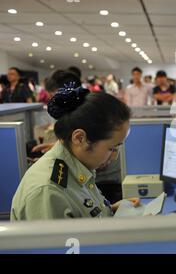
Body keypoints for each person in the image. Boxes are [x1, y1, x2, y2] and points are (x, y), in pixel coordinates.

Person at [11, 71, 139, 221]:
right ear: (79, 138)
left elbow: (84, 211)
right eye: (111, 148)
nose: (115, 156)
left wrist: (113, 209)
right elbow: (68, 244)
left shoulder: (77, 165)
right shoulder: (49, 192)